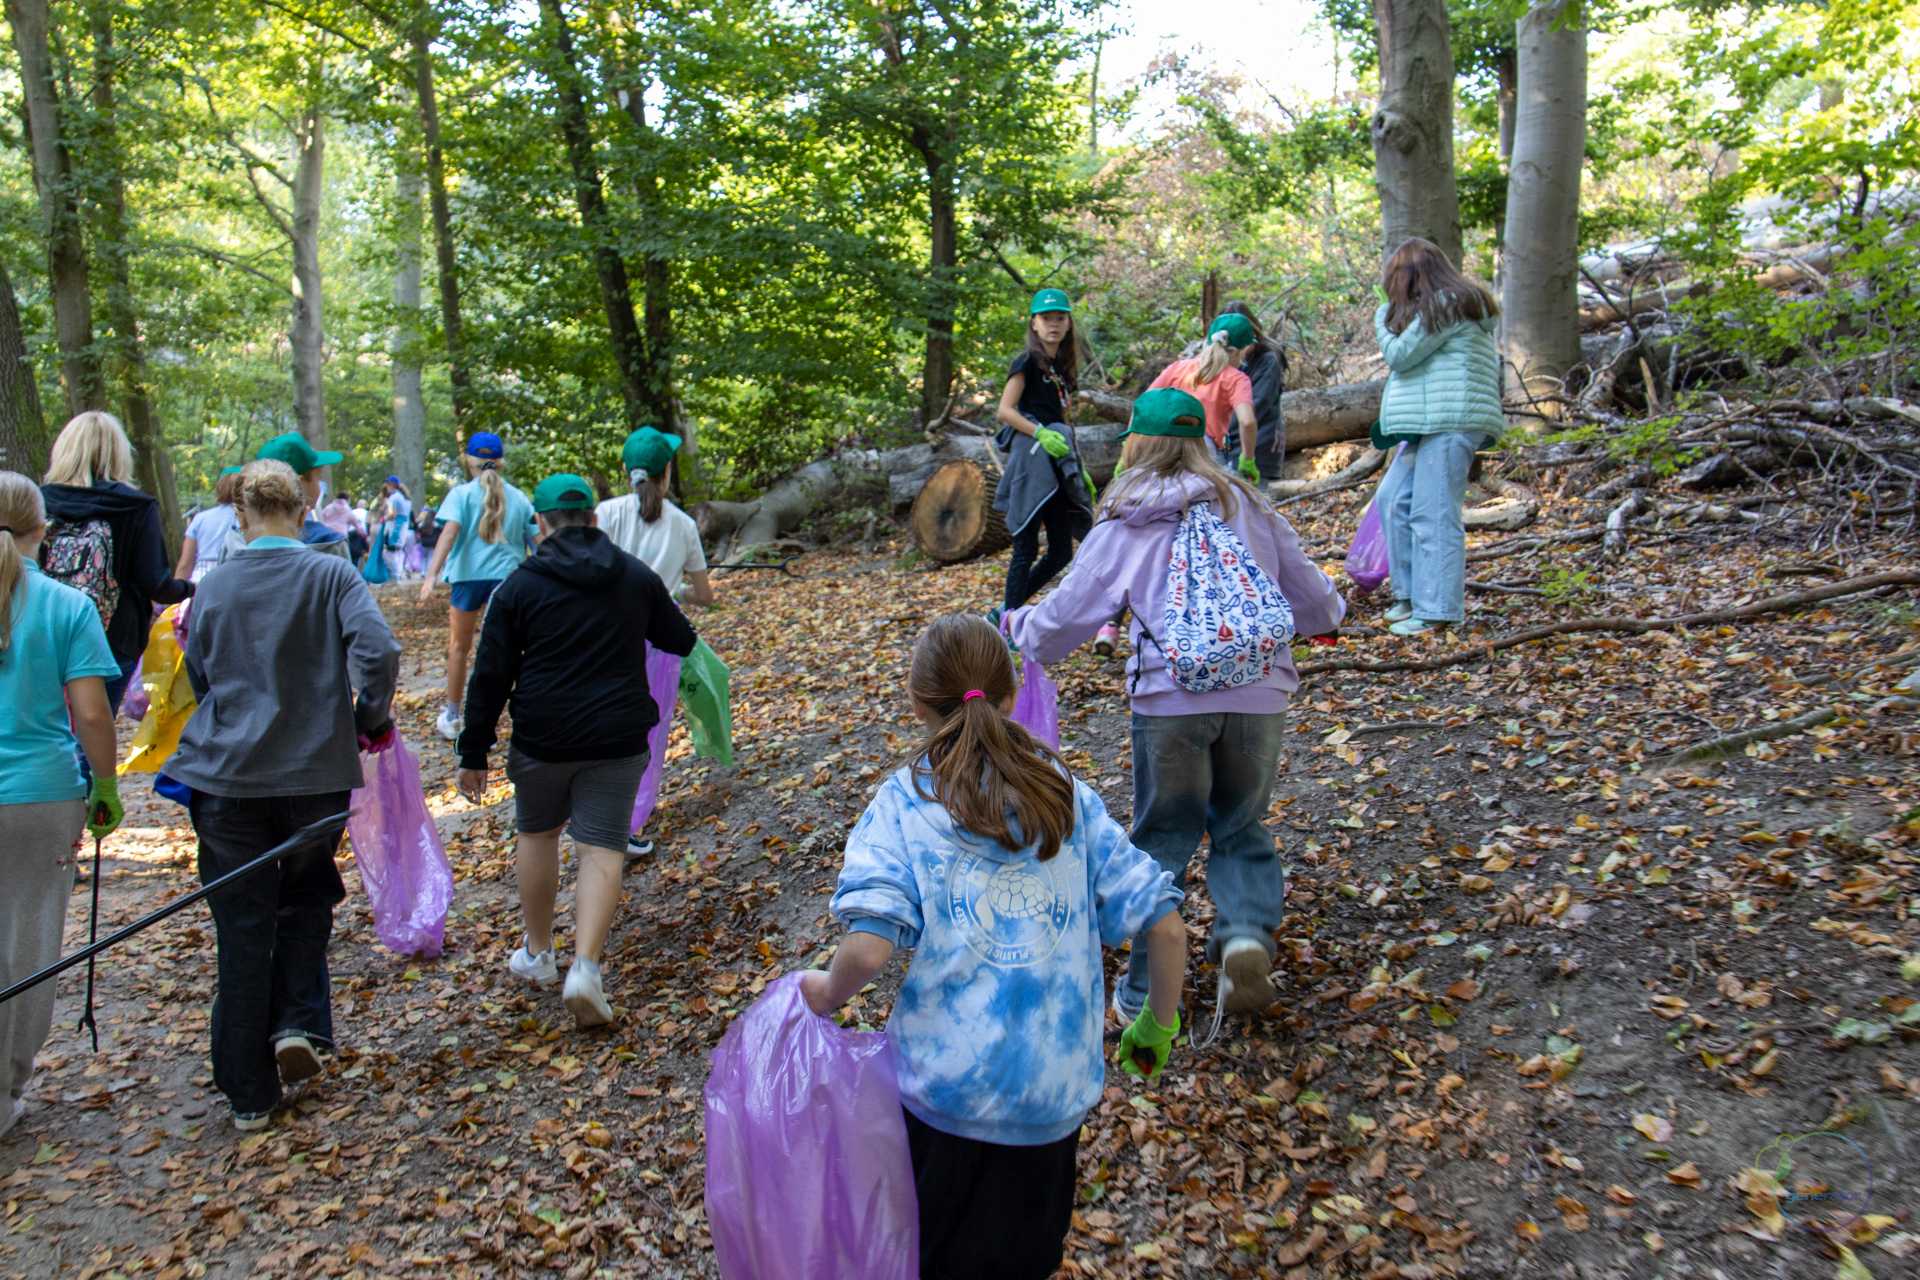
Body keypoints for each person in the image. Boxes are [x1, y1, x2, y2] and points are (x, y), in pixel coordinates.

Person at [802, 613, 1186, 1280]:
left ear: (918, 704)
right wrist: (1158, 1021)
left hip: (940, 1096)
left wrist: (827, 994)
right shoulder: (1064, 794)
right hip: (1051, 1099)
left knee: (929, 1260)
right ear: (1012, 695)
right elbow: (1166, 923)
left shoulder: (903, 803)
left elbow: (867, 950)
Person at [1007, 387, 1344, 1025]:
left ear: (1136, 442)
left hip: (1170, 703)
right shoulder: (1249, 504)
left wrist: (1014, 626)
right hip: (1260, 692)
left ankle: (1141, 994)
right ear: (1202, 440)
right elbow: (1316, 601)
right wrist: (1330, 616)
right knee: (1241, 825)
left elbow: (1059, 627)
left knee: (1164, 834)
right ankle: (1244, 935)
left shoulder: (1124, 520)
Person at [163, 459, 401, 1131]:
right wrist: (369, 719)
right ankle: (296, 1023)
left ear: (239, 514)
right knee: (305, 899)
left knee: (242, 929)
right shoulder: (329, 573)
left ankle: (248, 1092)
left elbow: (203, 673)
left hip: (227, 779)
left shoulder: (211, 586)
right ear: (302, 511)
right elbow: (378, 652)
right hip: (311, 777)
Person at [456, 474, 697, 1028]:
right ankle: (586, 968)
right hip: (617, 738)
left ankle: (539, 954)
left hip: (543, 739)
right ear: (592, 519)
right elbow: (680, 639)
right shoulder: (634, 576)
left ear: (539, 524)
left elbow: (490, 675)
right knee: (602, 849)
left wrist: (474, 750)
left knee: (537, 834)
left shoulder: (517, 587)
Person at [0, 472, 123, 1141]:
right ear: (41, 531)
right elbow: (92, 715)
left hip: (35, 796)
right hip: (41, 797)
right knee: (28, 942)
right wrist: (104, 787)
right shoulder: (65, 605)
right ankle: (6, 1087)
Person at [1369, 236, 1506, 637]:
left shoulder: (1447, 304)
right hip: (1430, 423)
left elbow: (1399, 355)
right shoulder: (1447, 305)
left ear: (1411, 278)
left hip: (1452, 421)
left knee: (1434, 514)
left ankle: (1437, 610)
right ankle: (1410, 595)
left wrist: (1381, 315)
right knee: (1392, 499)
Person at [40, 411, 195, 712]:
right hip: (112, 639)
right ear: (120, 454)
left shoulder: (39, 502)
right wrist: (192, 589)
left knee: (50, 730)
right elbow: (155, 584)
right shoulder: (135, 506)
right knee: (91, 735)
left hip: (45, 634)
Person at [419, 434, 538, 742]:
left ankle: (454, 716)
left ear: (468, 462)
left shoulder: (460, 495)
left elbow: (449, 533)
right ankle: (522, 714)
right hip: (508, 581)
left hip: (467, 578)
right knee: (511, 648)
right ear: (501, 463)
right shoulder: (519, 497)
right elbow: (538, 541)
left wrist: (430, 577)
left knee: (459, 647)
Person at [990, 288, 1094, 622]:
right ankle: (1008, 625)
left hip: (1057, 463)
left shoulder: (1061, 368)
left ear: (1068, 324)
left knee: (1062, 550)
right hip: (1032, 460)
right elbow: (1005, 410)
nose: (1053, 324)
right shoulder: (1027, 362)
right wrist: (1040, 432)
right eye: (1046, 318)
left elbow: (1064, 417)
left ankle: (1005, 611)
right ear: (1034, 324)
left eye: (1059, 318)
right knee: (1025, 548)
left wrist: (1077, 465)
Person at [595, 427, 714, 608]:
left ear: (626, 470)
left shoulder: (605, 512)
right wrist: (675, 590)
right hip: (661, 631)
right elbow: (704, 597)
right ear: (667, 470)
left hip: (613, 628)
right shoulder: (685, 524)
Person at [1147, 314, 1261, 482]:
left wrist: (1128, 448)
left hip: (1162, 444)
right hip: (1199, 449)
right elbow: (1247, 421)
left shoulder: (1179, 367)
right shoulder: (1236, 378)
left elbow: (1144, 403)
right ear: (1244, 350)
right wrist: (1248, 458)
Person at [227, 433, 351, 561]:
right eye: (317, 479)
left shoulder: (233, 543)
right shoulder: (332, 545)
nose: (320, 487)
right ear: (298, 484)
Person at [1217, 301, 1288, 481]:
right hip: (1226, 449)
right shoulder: (1223, 361)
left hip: (1256, 450)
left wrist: (1217, 431)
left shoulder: (1268, 361)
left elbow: (1253, 410)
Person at [175, 467, 244, 581]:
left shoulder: (200, 518)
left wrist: (177, 593)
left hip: (201, 579)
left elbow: (185, 564)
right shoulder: (250, 519)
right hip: (235, 577)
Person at [377, 477, 414, 579]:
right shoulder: (403, 498)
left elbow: (393, 514)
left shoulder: (394, 498)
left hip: (394, 529)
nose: (387, 488)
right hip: (401, 529)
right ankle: (396, 574)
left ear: (391, 485)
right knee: (397, 552)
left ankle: (394, 576)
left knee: (390, 553)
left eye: (388, 485)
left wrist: (384, 518)